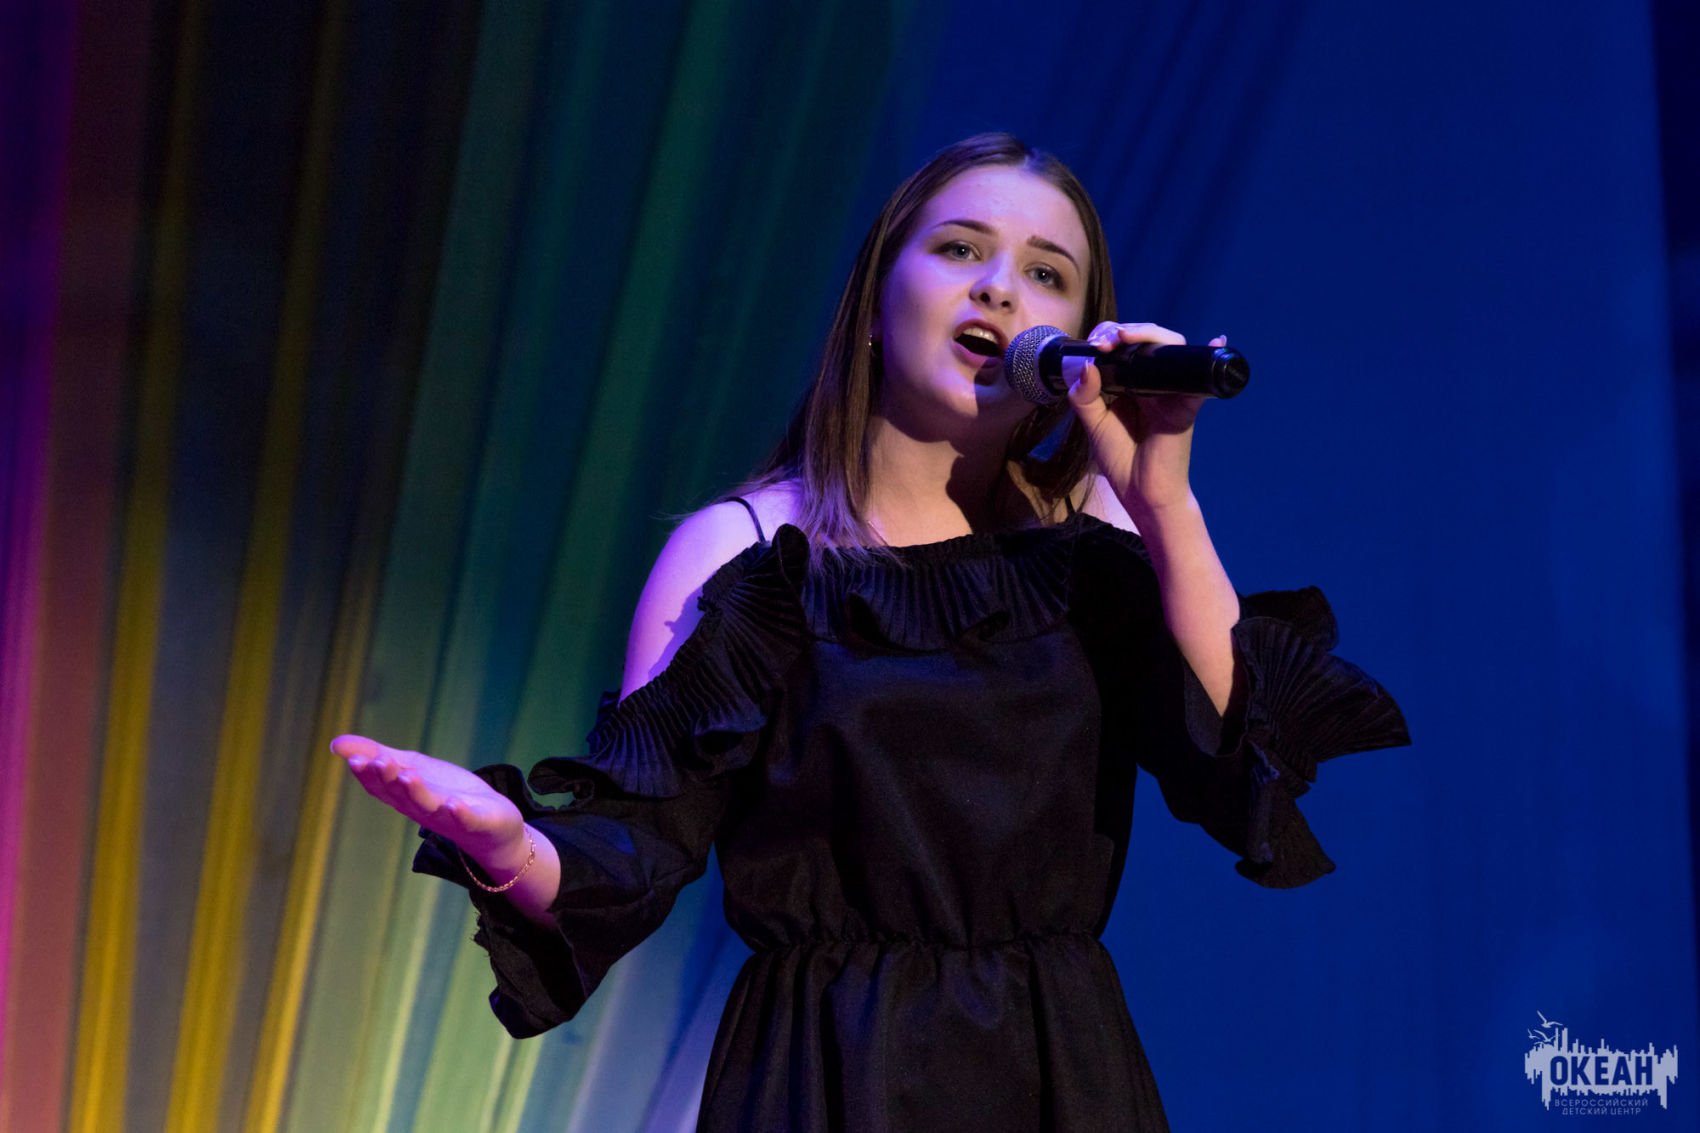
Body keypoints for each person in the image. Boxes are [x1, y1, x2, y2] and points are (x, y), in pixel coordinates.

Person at [332, 132, 1409, 1131]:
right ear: (875, 298)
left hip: (1061, 1070)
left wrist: (1163, 500)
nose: (1001, 288)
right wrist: (507, 844)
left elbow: (1241, 771)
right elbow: (635, 849)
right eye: (961, 249)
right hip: (825, 1074)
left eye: (1046, 272)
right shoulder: (749, 553)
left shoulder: (1097, 546)